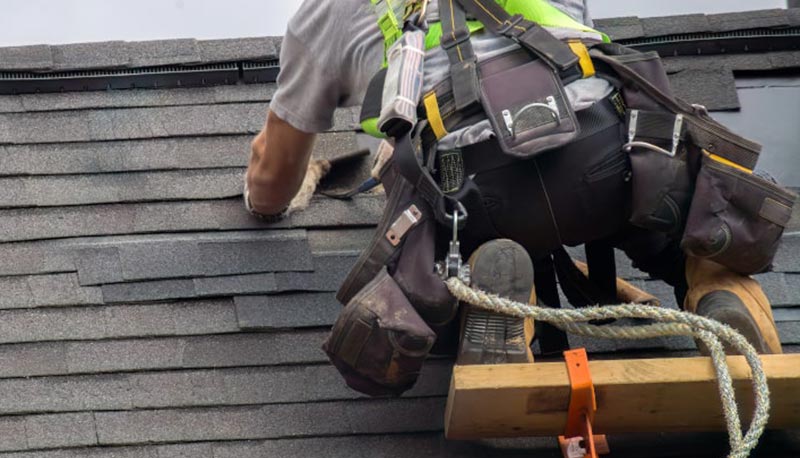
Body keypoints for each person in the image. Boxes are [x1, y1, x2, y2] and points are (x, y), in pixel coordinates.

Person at [245, 0, 787, 394]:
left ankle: (500, 302)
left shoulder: (327, 13)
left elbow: (273, 182)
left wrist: (262, 193)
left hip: (478, 188)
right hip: (605, 152)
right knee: (648, 206)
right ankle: (717, 285)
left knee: (446, 221)